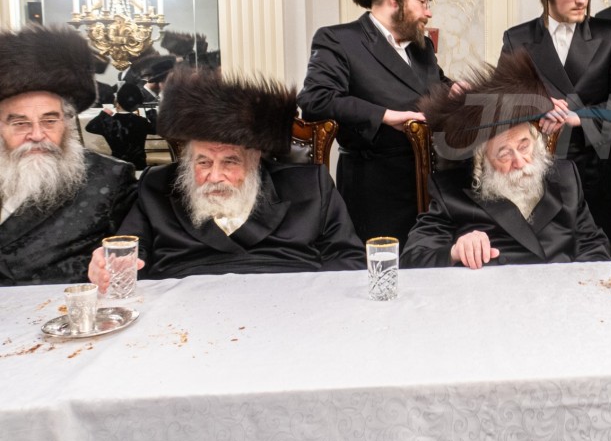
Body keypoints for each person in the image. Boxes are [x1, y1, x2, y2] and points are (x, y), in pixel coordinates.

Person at [88, 68, 364, 288]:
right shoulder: (156, 185)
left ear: (256, 157)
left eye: (230, 161)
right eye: (203, 162)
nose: (215, 176)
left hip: (291, 307)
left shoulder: (311, 185)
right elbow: (129, 253)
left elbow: (348, 259)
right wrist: (109, 266)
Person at [298, 0, 450, 244]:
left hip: (430, 188)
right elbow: (315, 100)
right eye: (422, 2)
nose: (429, 12)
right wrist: (384, 115)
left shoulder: (421, 48)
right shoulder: (339, 39)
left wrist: (457, 89)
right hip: (375, 192)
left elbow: (437, 85)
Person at [501, 0, 611, 257]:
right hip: (536, 179)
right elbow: (501, 104)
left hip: (599, 174)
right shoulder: (516, 39)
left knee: (600, 263)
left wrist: (578, 117)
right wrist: (537, 105)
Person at [404, 50, 611, 268]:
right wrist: (455, 251)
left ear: (537, 141)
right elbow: (413, 257)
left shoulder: (566, 177)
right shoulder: (452, 192)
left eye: (524, 146)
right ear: (481, 161)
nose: (520, 162)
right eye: (504, 154)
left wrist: (579, 282)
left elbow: (594, 246)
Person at [0, 25, 137, 286]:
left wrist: (107, 267)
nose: (37, 135)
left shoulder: (110, 178)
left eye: (50, 121)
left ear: (67, 122)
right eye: (20, 123)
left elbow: (136, 253)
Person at [85, 82, 157, 170]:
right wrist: (152, 115)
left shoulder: (108, 122)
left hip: (117, 165)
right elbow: (155, 130)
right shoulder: (141, 121)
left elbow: (89, 127)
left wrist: (104, 114)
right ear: (136, 105)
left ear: (117, 101)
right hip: (139, 165)